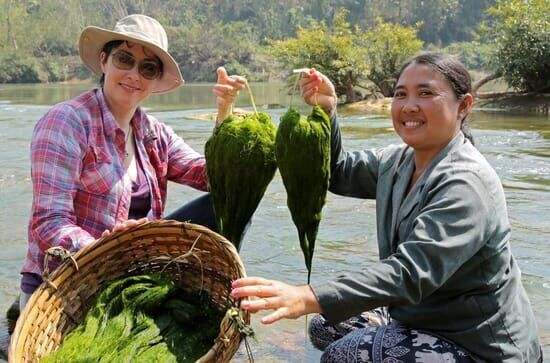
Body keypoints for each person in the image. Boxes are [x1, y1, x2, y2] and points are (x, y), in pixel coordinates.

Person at [231, 53, 543, 362]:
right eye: (400, 94)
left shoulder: (467, 183)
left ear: (463, 106)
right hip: (420, 315)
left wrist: (307, 295)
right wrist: (327, 110)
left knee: (345, 354)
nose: (409, 106)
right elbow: (336, 171)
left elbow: (410, 273)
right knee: (326, 326)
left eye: (425, 93)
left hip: (476, 342)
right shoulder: (398, 161)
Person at [18, 14, 244, 311]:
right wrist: (106, 249)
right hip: (66, 283)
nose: (134, 75)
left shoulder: (154, 133)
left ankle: (218, 296)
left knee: (233, 201)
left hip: (132, 278)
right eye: (124, 59)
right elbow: (50, 223)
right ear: (104, 61)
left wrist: (224, 113)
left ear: (154, 80)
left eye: (147, 68)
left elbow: (212, 178)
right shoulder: (67, 122)